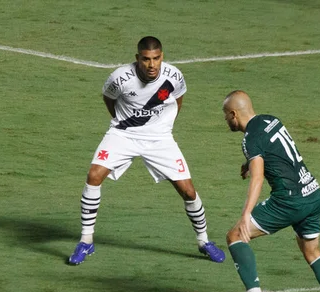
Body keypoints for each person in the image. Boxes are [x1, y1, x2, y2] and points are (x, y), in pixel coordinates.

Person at [69, 36, 225, 265]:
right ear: (137, 58)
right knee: (94, 176)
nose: (152, 65)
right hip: (123, 134)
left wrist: (164, 126)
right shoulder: (120, 78)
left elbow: (178, 99)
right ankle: (86, 240)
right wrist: (123, 122)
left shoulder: (173, 77)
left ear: (162, 56)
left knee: (188, 191)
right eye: (146, 59)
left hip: (160, 138)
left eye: (156, 58)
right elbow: (109, 98)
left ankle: (204, 242)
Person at [221, 90, 320, 292]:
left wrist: (245, 214)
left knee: (235, 235)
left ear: (234, 114)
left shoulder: (250, 139)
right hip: (312, 192)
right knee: (312, 251)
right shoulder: (271, 120)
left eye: (226, 116)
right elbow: (279, 152)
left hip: (289, 201)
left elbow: (258, 178)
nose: (226, 121)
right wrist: (248, 162)